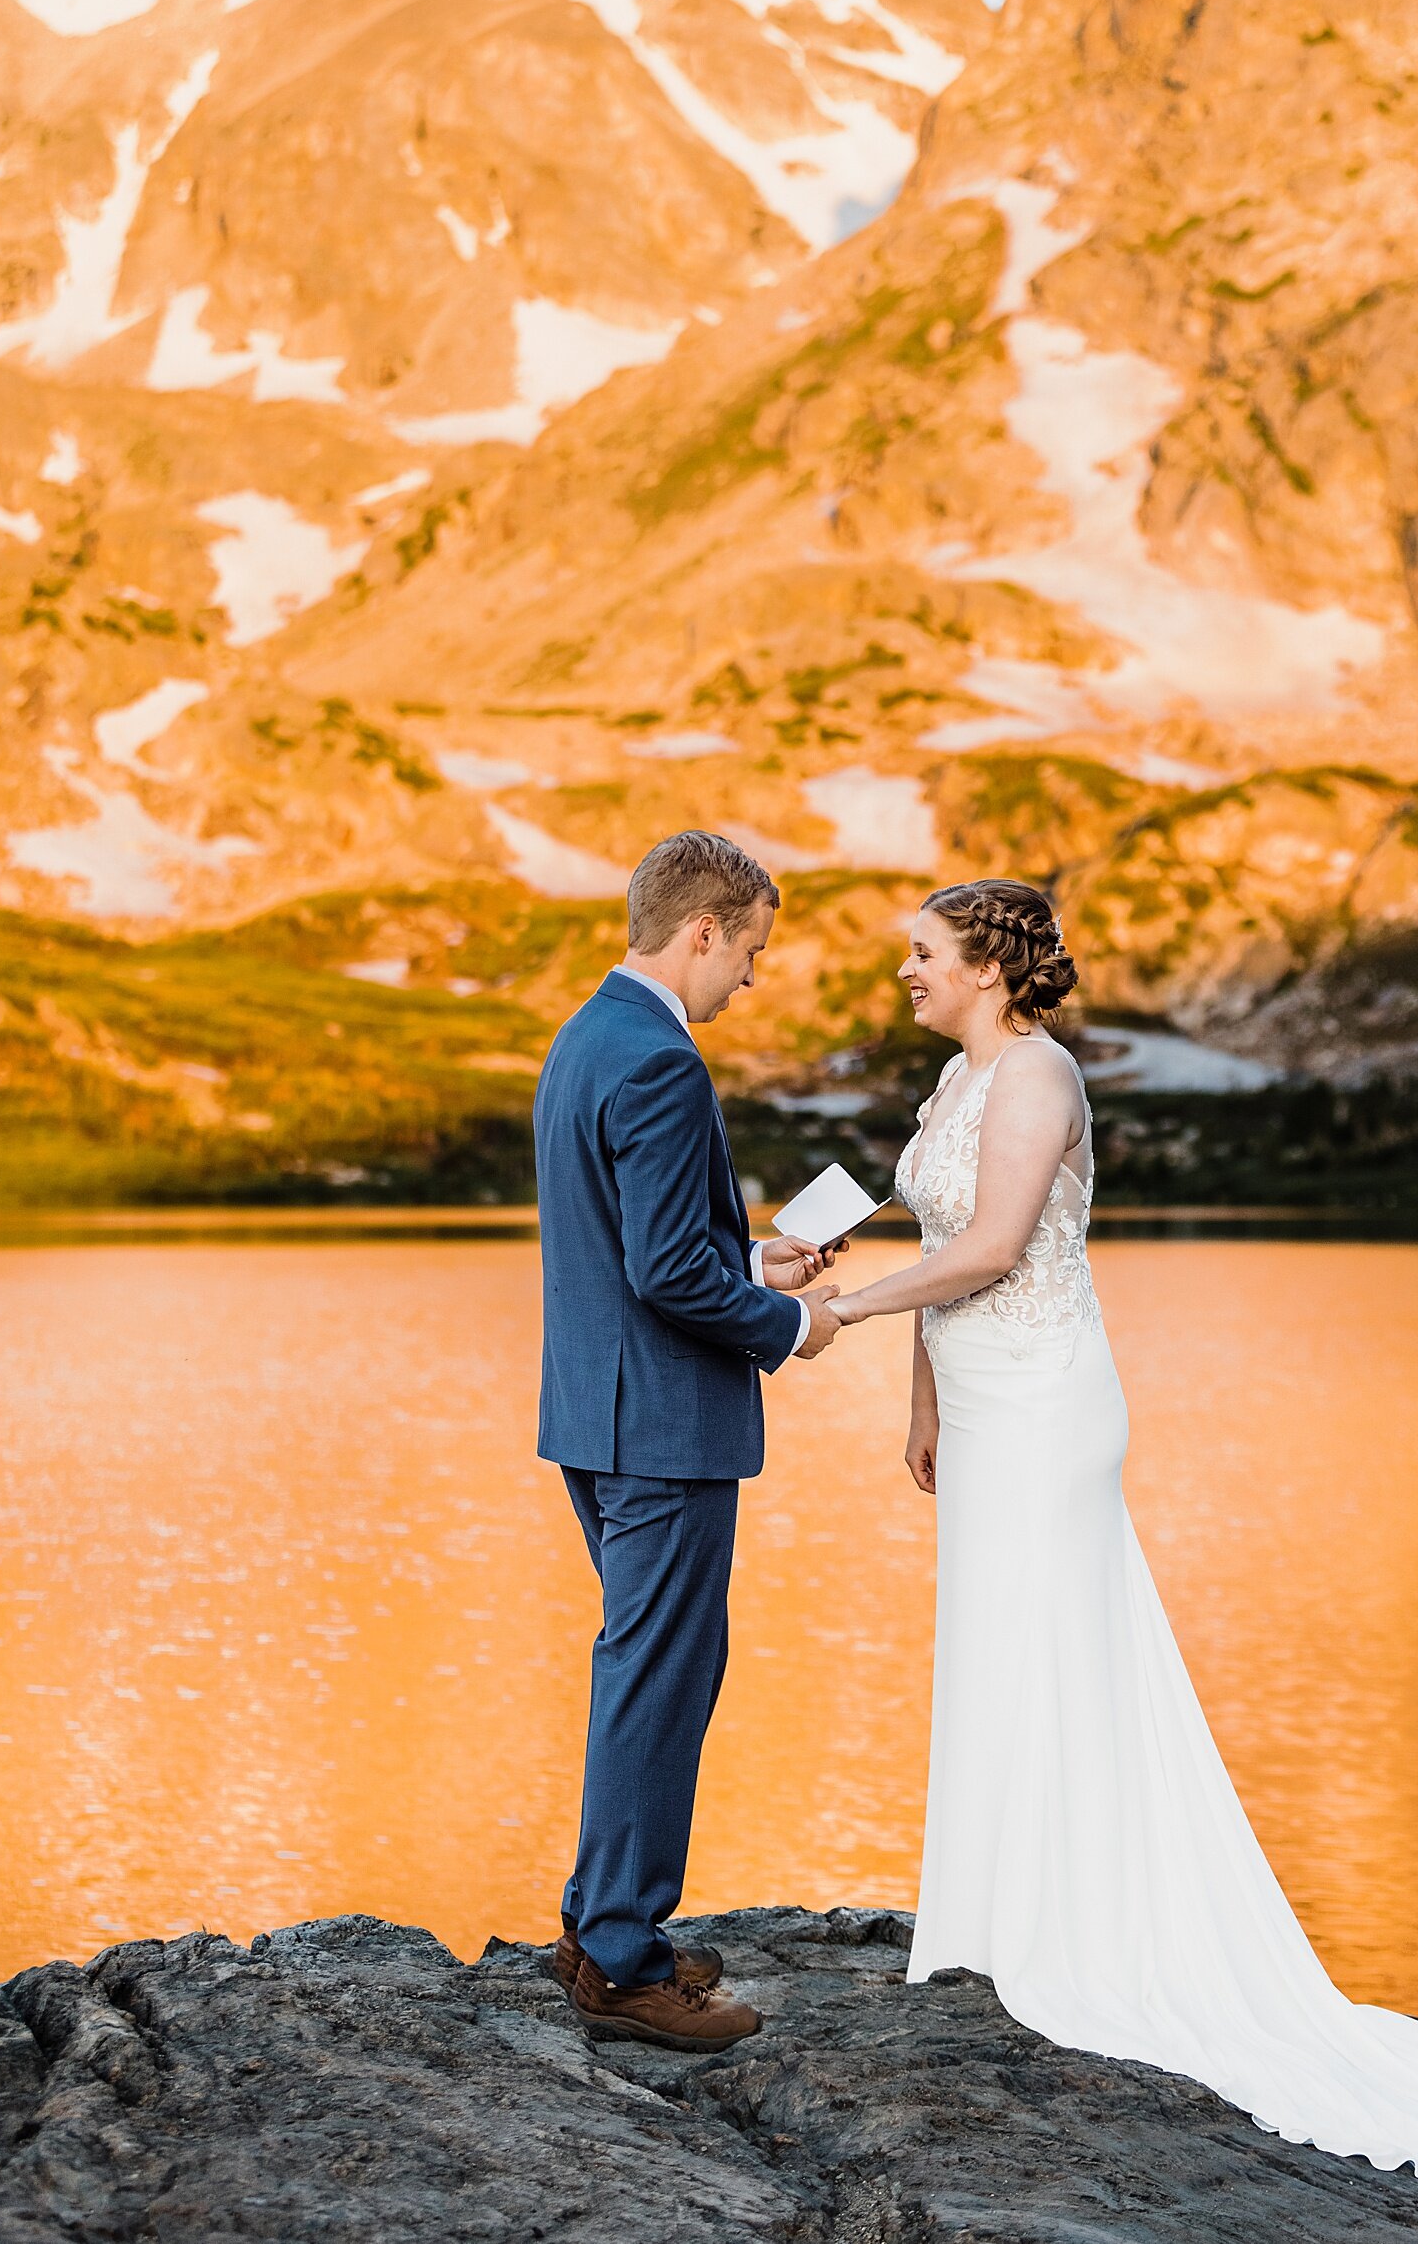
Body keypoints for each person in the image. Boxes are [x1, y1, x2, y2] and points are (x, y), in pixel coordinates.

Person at [828, 877, 1418, 2212]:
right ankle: (996, 1918)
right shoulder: (950, 1084)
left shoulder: (1041, 1080)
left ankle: (1079, 1933)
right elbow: (941, 1232)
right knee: (996, 1648)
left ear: (989, 965)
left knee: (1054, 1640)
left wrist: (850, 1308)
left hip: (1048, 1403)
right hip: (982, 1406)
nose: (903, 971)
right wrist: (921, 1401)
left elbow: (992, 1246)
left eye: (921, 953)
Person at [533, 831, 843, 2052]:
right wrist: (790, 1320)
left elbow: (635, 1244)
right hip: (662, 1426)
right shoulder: (661, 1061)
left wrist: (750, 1256)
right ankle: (620, 1960)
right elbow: (665, 1271)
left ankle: (599, 1922)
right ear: (702, 929)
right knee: (661, 1678)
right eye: (752, 950)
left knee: (642, 1667)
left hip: (597, 1413)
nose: (751, 979)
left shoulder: (585, 1034)